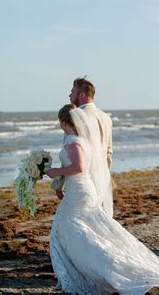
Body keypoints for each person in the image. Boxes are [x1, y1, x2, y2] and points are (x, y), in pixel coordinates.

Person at [46, 104, 159, 295]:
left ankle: (99, 267)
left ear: (63, 122)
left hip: (79, 191)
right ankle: (85, 267)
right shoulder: (82, 140)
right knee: (86, 230)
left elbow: (79, 167)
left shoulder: (71, 141)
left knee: (72, 229)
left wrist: (55, 172)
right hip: (81, 190)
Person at [53, 77, 115, 217]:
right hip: (101, 178)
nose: (69, 95)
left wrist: (58, 184)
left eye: (72, 92)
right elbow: (109, 151)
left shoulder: (76, 117)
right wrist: (104, 178)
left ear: (82, 95)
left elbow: (69, 154)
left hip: (82, 180)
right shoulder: (106, 117)